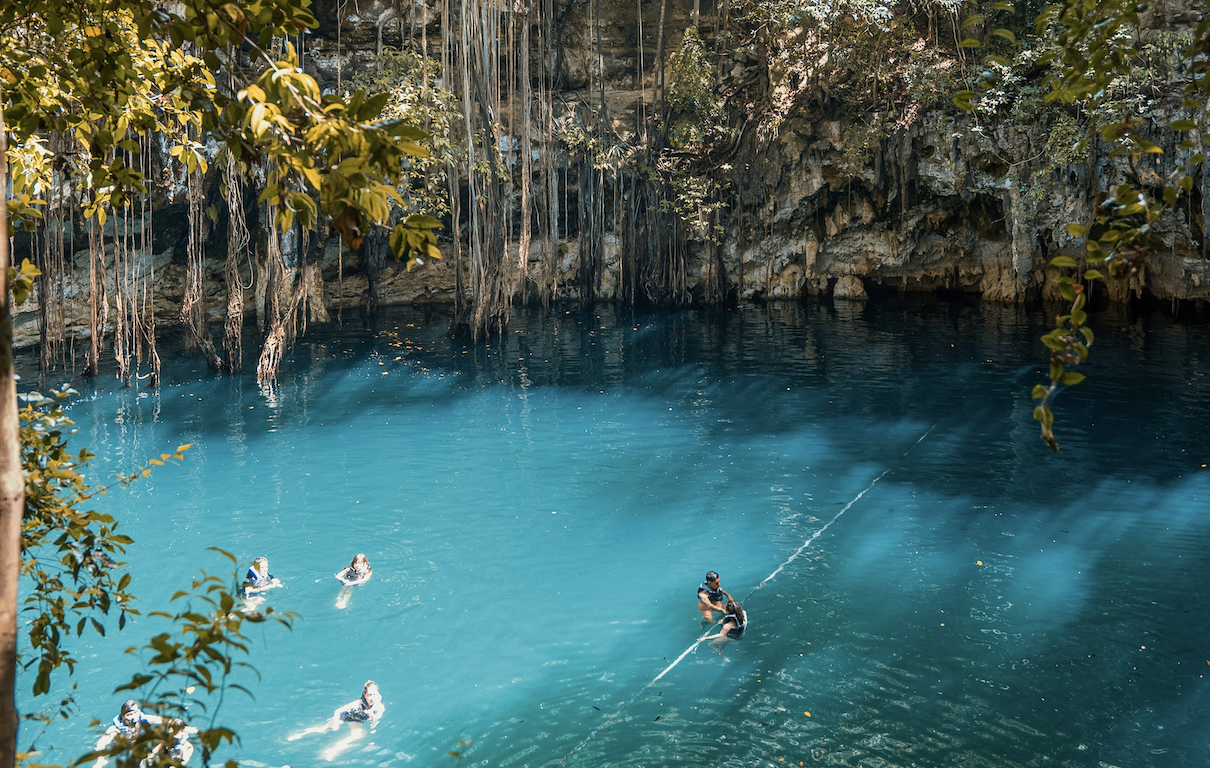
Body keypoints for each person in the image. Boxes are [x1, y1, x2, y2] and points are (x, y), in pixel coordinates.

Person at [287, 681, 384, 760]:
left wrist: (372, 715)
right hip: (346, 715)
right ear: (365, 694)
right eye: (369, 695)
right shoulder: (357, 704)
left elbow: (377, 718)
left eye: (374, 695)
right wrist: (336, 724)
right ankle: (300, 735)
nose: (371, 698)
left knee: (357, 736)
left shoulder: (379, 707)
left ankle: (333, 750)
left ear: (377, 695)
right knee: (323, 729)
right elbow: (337, 711)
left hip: (358, 720)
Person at [93, 700, 162, 768]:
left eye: (135, 713)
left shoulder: (145, 720)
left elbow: (168, 721)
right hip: (123, 752)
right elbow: (101, 744)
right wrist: (100, 762)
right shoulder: (116, 729)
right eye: (129, 715)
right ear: (123, 717)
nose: (133, 717)